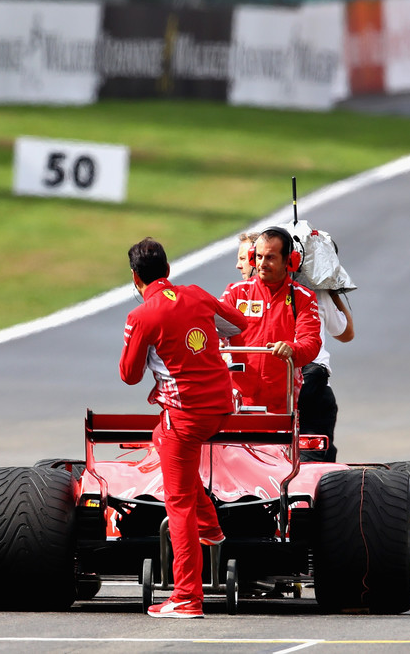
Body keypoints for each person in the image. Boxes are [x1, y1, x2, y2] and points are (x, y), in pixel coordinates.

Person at [119, 237, 248, 618]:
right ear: (168, 270)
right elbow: (237, 326)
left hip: (186, 417)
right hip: (222, 407)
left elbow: (128, 376)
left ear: (135, 278)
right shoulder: (195, 294)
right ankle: (211, 527)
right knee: (165, 443)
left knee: (177, 505)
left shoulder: (142, 317)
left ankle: (187, 598)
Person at [220, 227, 322, 414]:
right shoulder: (235, 292)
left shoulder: (304, 297)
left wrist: (292, 348)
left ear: (289, 261)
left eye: (270, 257)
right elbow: (213, 333)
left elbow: (311, 343)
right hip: (236, 403)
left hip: (283, 405)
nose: (262, 263)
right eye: (259, 257)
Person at [298, 288, 354, 462]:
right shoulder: (317, 293)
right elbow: (346, 333)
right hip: (311, 385)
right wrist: (333, 291)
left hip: (303, 385)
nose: (239, 265)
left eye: (242, 259)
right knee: (314, 463)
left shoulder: (240, 293)